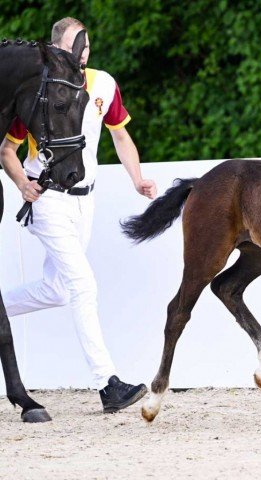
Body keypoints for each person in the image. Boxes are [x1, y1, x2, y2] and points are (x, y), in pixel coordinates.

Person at [0, 17, 157, 413]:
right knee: (83, 284)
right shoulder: (37, 92)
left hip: (85, 199)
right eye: (74, 48)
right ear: (56, 49)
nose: (81, 54)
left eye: (84, 47)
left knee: (57, 290)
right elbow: (7, 149)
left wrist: (137, 178)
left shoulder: (104, 84)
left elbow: (121, 135)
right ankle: (108, 385)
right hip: (48, 198)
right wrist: (22, 183)